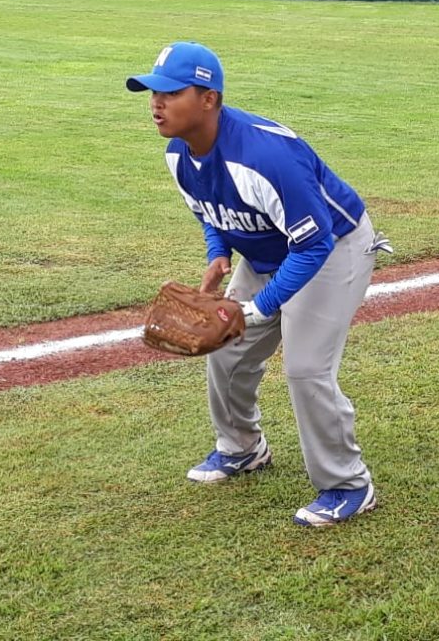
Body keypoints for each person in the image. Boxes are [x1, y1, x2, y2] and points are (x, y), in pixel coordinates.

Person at [126, 42, 390, 527]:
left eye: (170, 92)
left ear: (209, 99)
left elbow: (313, 244)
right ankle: (242, 448)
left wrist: (256, 308)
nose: (156, 103)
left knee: (306, 368)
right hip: (268, 250)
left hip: (334, 248)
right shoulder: (178, 154)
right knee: (226, 351)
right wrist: (218, 254)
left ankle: (348, 484)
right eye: (151, 92)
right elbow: (211, 210)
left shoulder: (265, 156)